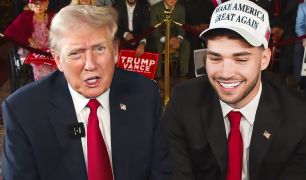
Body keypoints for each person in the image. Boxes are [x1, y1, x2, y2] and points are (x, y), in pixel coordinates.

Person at [2, 5, 171, 180]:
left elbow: (161, 171)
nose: (90, 64)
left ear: (115, 51)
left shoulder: (144, 94)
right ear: (58, 59)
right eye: (76, 53)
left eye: (99, 49)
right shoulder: (23, 111)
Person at [164, 0, 306, 180]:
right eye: (215, 58)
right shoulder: (183, 101)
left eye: (241, 59)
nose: (225, 73)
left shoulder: (304, 117)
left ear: (265, 59)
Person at [4, 0, 57, 81]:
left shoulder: (53, 16)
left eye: (42, 3)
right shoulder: (25, 17)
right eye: (36, 3)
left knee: (62, 67)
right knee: (44, 72)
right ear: (31, 5)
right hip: (33, 52)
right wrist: (29, 40)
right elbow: (9, 33)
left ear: (47, 3)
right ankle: (44, 88)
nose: (39, 6)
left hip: (50, 51)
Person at [150, 0, 190, 78]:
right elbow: (153, 29)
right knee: (157, 46)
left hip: (174, 36)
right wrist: (166, 40)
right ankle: (157, 76)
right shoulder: (155, 8)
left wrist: (178, 39)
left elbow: (182, 27)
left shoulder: (181, 8)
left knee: (186, 44)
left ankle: (184, 74)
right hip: (160, 36)